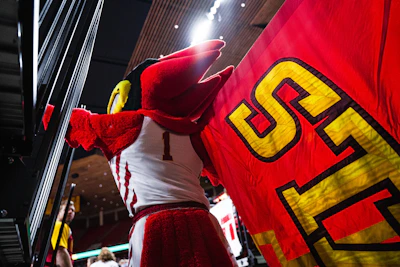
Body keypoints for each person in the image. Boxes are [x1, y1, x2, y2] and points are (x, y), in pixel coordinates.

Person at [43, 40, 237, 266]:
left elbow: (71, 122)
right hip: (204, 224)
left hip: (154, 224)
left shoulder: (126, 124)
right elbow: (223, 174)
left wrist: (33, 108)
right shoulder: (195, 134)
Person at [45, 200, 75, 267]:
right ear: (58, 212)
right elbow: (60, 251)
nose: (70, 212)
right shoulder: (59, 225)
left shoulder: (58, 226)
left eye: (72, 210)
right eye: (67, 209)